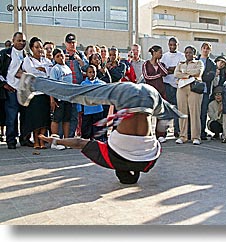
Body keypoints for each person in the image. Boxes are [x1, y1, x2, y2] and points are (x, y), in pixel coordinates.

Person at [17, 72, 187, 184]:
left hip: (150, 95)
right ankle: (32, 82)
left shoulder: (149, 163)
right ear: (118, 171)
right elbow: (79, 142)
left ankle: (183, 115)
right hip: (125, 95)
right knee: (77, 93)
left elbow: (157, 143)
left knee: (166, 111)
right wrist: (57, 140)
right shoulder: (112, 159)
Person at [0, 32, 33, 149]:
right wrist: (4, 84)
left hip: (24, 91)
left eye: (23, 41)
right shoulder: (5, 54)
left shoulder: (28, 55)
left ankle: (24, 139)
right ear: (13, 40)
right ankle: (11, 140)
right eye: (19, 40)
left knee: (25, 117)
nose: (21, 43)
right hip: (11, 91)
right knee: (11, 117)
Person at [22, 37, 53, 149]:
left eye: (40, 47)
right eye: (36, 47)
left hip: (45, 93)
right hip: (34, 94)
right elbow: (31, 72)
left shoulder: (47, 61)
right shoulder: (28, 60)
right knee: (36, 120)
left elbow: (49, 73)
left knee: (44, 119)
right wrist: (41, 70)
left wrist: (43, 69)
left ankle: (42, 140)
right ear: (31, 48)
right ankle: (35, 141)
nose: (39, 49)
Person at [174, 45, 205, 145]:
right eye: (186, 52)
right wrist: (188, 74)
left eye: (190, 52)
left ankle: (196, 136)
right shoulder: (180, 63)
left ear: (194, 54)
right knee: (182, 112)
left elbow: (198, 72)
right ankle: (183, 136)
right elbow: (176, 74)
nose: (188, 54)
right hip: (182, 87)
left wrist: (185, 73)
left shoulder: (199, 62)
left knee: (194, 112)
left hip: (193, 88)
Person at [63, 33, 88, 137]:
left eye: (73, 43)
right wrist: (62, 60)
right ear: (65, 44)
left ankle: (70, 136)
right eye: (69, 43)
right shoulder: (62, 54)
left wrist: (80, 60)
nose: (71, 45)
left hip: (77, 89)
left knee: (74, 114)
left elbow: (88, 68)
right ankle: (60, 136)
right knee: (63, 114)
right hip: (65, 89)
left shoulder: (80, 54)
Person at [142, 45, 168, 143]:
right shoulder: (146, 64)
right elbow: (147, 77)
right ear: (154, 52)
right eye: (159, 52)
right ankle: (147, 134)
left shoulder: (162, 65)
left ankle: (160, 134)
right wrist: (158, 75)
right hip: (150, 93)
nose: (161, 54)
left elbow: (165, 73)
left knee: (161, 114)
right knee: (148, 113)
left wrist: (158, 63)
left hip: (161, 92)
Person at [161, 37, 186, 138]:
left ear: (177, 45)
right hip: (166, 85)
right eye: (170, 45)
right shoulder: (164, 56)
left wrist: (172, 70)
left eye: (174, 45)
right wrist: (174, 69)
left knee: (177, 109)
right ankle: (164, 132)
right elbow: (163, 70)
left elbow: (182, 69)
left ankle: (177, 131)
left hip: (178, 85)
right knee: (166, 109)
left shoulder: (182, 56)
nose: (172, 46)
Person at [49, 48, 73, 150]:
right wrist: (52, 100)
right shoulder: (55, 69)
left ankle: (66, 141)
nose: (61, 58)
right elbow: (52, 85)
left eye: (61, 55)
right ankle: (54, 142)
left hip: (68, 98)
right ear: (54, 58)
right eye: (57, 56)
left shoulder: (67, 68)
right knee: (56, 120)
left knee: (66, 120)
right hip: (58, 98)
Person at [77, 65, 105, 140]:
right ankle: (86, 142)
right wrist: (79, 108)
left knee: (98, 127)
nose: (92, 74)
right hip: (87, 110)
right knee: (86, 128)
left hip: (98, 109)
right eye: (90, 72)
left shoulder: (101, 83)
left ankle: (98, 141)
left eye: (94, 72)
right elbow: (79, 97)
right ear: (86, 73)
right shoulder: (83, 84)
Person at [197, 42, 216, 140]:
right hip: (194, 90)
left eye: (207, 48)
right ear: (201, 49)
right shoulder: (195, 60)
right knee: (193, 112)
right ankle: (192, 132)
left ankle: (202, 132)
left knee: (203, 112)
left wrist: (199, 75)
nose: (205, 50)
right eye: (204, 48)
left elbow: (210, 77)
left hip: (205, 91)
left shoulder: (212, 64)